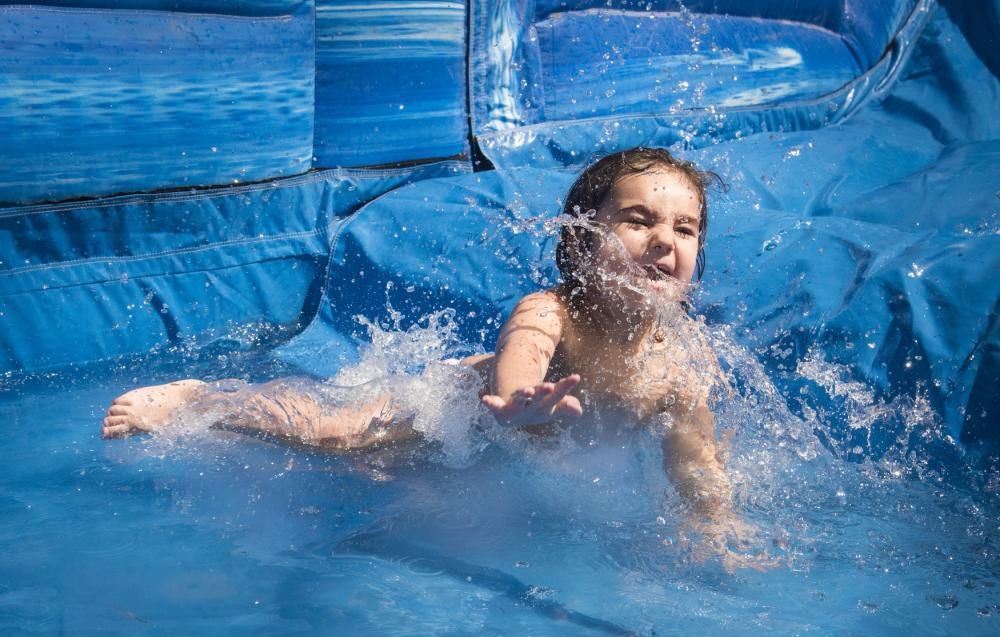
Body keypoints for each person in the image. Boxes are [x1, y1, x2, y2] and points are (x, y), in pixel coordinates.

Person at [103, 148, 755, 566]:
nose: (663, 241)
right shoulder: (551, 310)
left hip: (516, 444)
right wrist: (518, 401)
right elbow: (517, 365)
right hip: (449, 412)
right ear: (582, 243)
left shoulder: (684, 353)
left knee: (410, 490)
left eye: (685, 228)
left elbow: (693, 446)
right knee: (330, 434)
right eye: (637, 220)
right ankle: (206, 397)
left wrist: (713, 517)